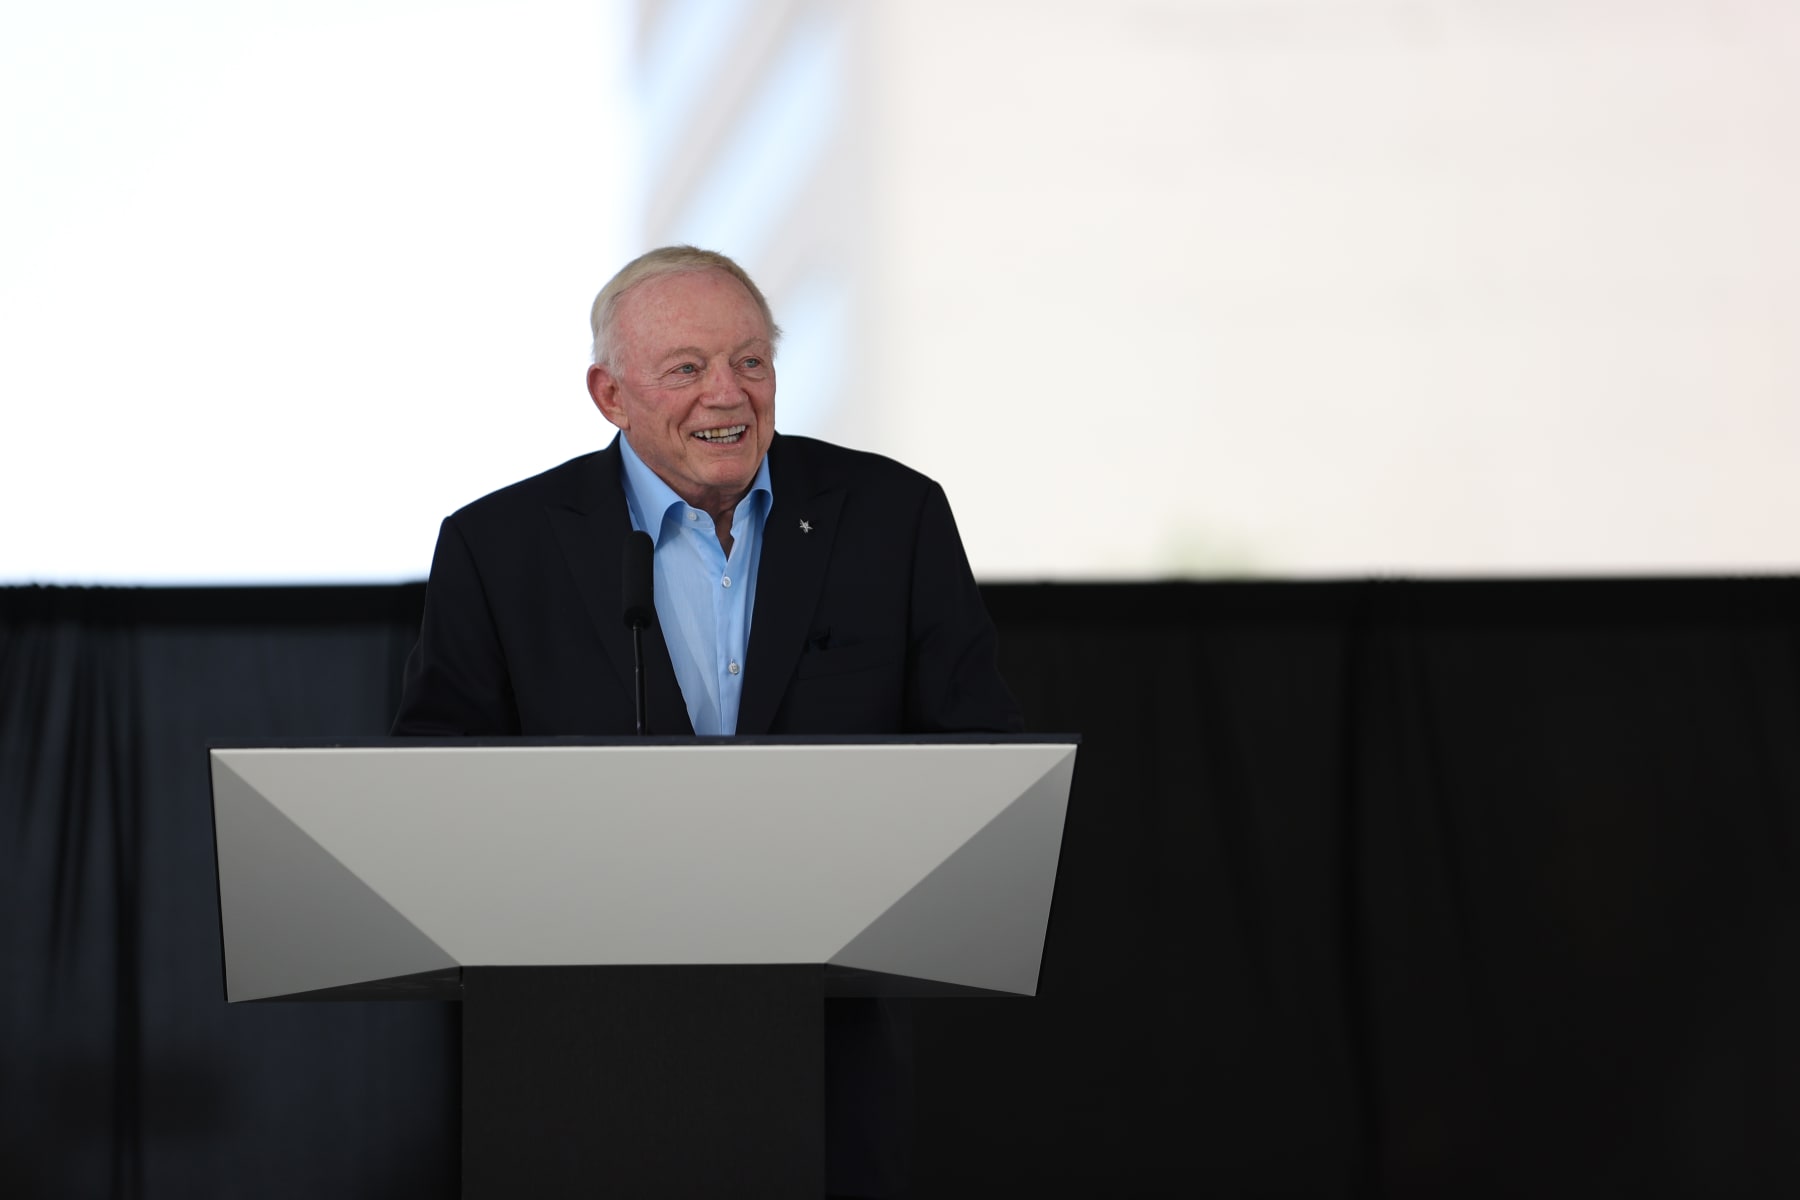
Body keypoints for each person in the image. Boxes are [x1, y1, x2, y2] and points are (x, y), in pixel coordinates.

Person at [392, 245, 1023, 1196]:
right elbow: (436, 796)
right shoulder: (499, 547)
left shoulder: (894, 518)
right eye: (686, 368)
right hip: (582, 1054)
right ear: (610, 395)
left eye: (751, 360)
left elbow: (979, 762)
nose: (727, 393)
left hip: (827, 1046)